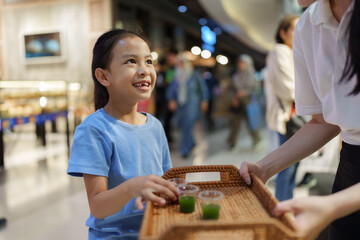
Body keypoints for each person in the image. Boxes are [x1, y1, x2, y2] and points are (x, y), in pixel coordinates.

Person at [240, 0, 360, 239]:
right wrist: (264, 167)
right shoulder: (308, 24)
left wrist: (334, 205)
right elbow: (324, 119)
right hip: (351, 163)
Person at [67, 29, 178, 240]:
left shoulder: (154, 125)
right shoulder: (93, 130)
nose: (144, 70)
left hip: (157, 231)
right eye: (131, 62)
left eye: (148, 61)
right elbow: (98, 206)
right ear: (103, 76)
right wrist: (133, 187)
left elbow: (166, 181)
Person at [264, 14, 300, 201]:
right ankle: (282, 208)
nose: (298, 33)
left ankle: (288, 204)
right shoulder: (279, 51)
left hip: (296, 115)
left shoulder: (294, 52)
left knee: (294, 165)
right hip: (288, 116)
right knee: (287, 166)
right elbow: (287, 88)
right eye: (294, 29)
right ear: (283, 32)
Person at [166, 54, 209, 158]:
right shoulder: (176, 76)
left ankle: (184, 150)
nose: (180, 66)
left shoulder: (194, 75)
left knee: (187, 125)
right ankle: (191, 143)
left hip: (192, 105)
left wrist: (204, 100)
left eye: (182, 63)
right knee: (182, 125)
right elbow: (171, 89)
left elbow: (203, 88)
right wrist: (171, 99)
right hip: (180, 106)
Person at [227, 54, 261, 149]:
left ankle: (256, 140)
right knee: (234, 123)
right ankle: (231, 142)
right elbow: (230, 89)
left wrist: (245, 93)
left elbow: (257, 90)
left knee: (251, 123)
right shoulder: (235, 76)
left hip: (249, 103)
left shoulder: (253, 76)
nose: (240, 65)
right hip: (237, 103)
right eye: (239, 63)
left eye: (242, 63)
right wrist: (233, 98)